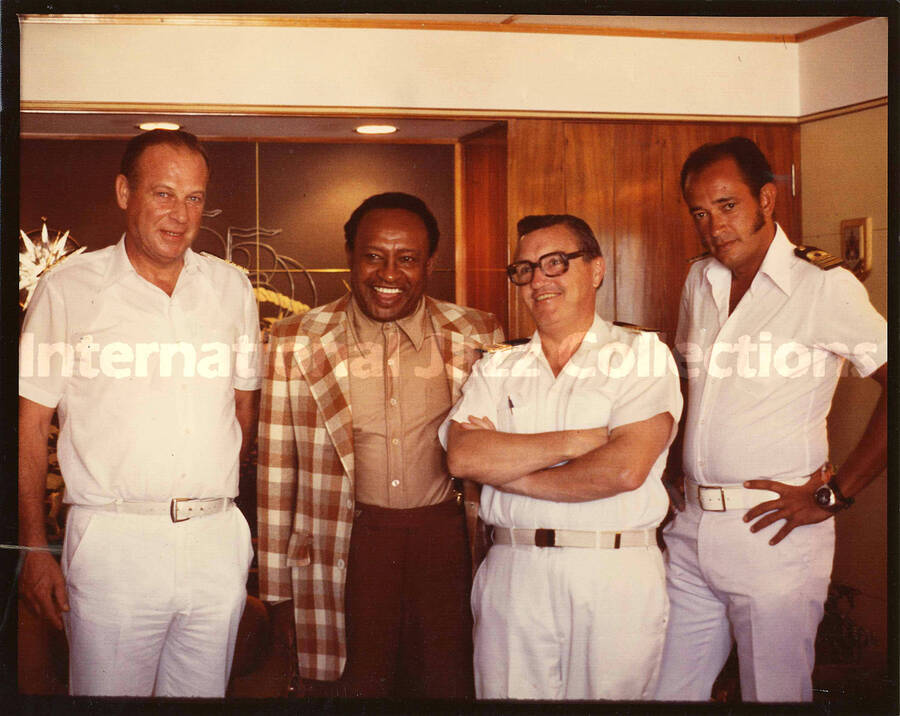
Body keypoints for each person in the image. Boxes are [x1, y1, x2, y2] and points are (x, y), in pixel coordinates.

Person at [18, 129, 261, 696]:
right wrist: (32, 548)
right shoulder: (68, 289)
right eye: (164, 194)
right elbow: (28, 426)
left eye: (195, 197)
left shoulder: (231, 289)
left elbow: (242, 410)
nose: (180, 214)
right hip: (113, 541)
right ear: (125, 192)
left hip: (214, 540)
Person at [654, 137, 887, 702]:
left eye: (728, 205)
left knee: (773, 695)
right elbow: (696, 388)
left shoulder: (824, 285)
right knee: (662, 692)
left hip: (775, 532)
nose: (714, 226)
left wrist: (835, 494)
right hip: (691, 529)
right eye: (700, 213)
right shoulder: (699, 281)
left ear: (766, 199)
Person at [257, 192, 504, 698]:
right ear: (351, 256)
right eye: (374, 255)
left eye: (407, 259)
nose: (388, 273)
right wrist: (277, 592)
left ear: (429, 264)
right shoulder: (294, 339)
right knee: (352, 689)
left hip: (447, 547)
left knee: (448, 688)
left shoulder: (477, 333)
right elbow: (276, 472)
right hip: (345, 546)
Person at [442, 214, 682, 700]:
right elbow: (464, 457)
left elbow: (624, 468)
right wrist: (581, 440)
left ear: (596, 269)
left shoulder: (643, 355)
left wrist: (510, 475)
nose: (539, 281)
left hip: (613, 571)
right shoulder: (498, 365)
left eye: (555, 263)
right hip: (514, 569)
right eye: (525, 269)